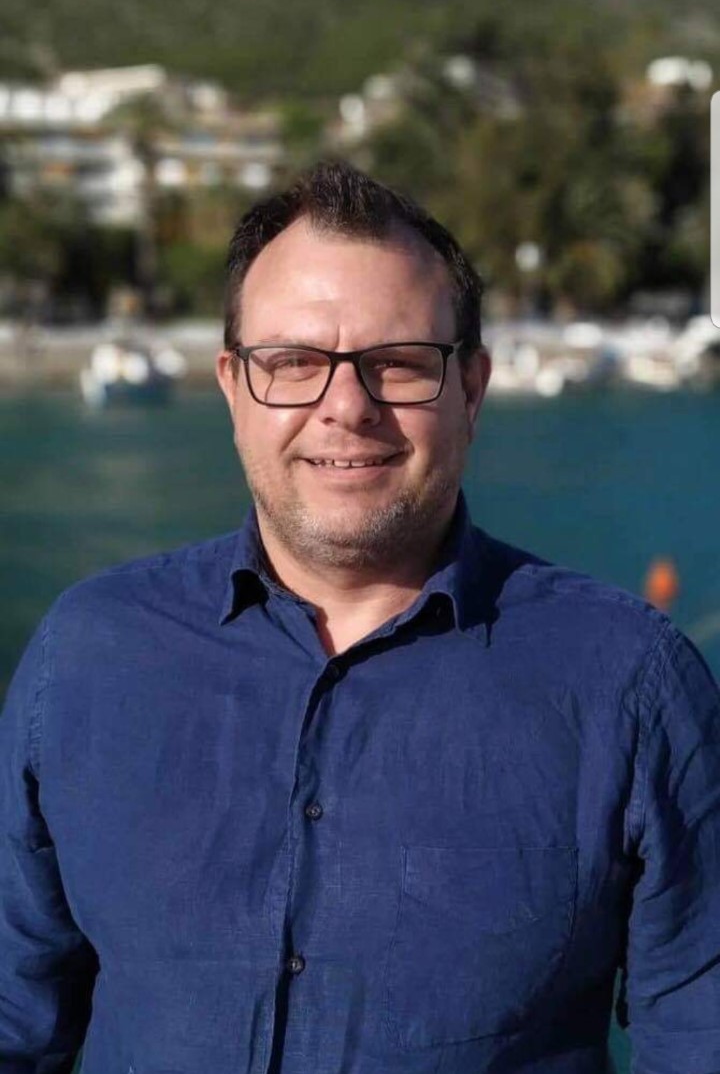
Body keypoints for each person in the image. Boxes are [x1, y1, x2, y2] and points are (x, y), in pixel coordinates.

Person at [1, 161, 719, 1074]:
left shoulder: (631, 685)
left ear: (471, 390)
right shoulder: (85, 655)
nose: (346, 406)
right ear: (232, 387)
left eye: (400, 363)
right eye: (293, 363)